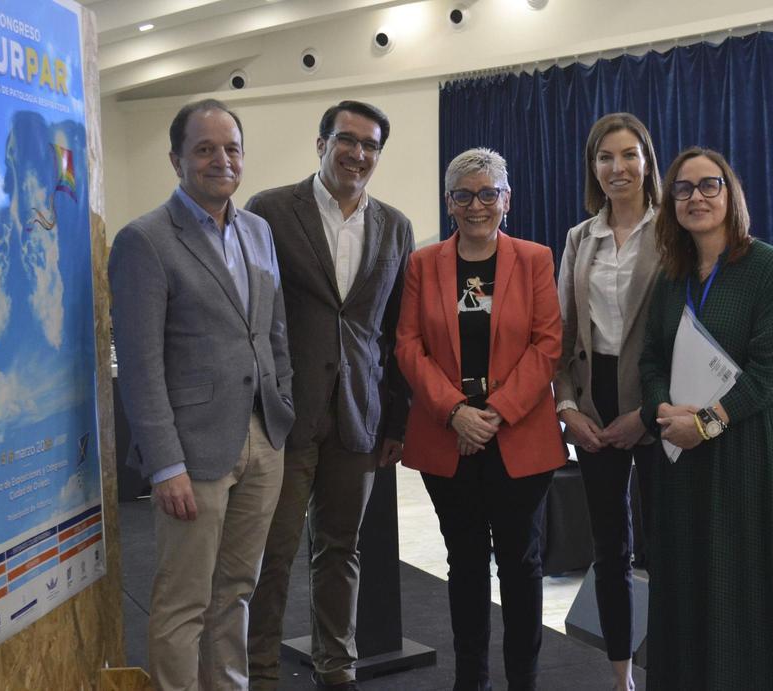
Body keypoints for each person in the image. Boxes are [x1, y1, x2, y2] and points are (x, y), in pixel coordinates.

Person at [108, 99, 296, 689]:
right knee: (183, 602)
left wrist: (281, 406)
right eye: (205, 148)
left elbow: (274, 330)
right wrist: (165, 464)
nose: (221, 160)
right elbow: (139, 365)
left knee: (236, 591)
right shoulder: (145, 240)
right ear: (176, 158)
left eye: (231, 148)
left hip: (263, 439)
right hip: (192, 455)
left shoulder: (257, 230)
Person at [245, 100, 415, 691]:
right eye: (348, 140)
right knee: (273, 555)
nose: (359, 154)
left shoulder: (395, 225)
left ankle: (335, 670)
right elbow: (251, 316)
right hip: (285, 418)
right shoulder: (268, 212)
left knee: (341, 551)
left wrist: (396, 420)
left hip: (358, 419)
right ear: (321, 143)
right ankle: (259, 673)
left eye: (370, 145)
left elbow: (395, 333)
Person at [396, 148, 566, 691]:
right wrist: (454, 412)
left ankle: (524, 680)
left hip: (518, 436)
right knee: (464, 564)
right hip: (448, 438)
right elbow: (407, 346)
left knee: (521, 567)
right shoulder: (423, 264)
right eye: (464, 195)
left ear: (506, 199)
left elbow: (548, 344)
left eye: (488, 193)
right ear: (450, 203)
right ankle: (470, 680)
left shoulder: (535, 258)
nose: (477, 206)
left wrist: (492, 413)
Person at [638, 147, 773, 688]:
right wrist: (662, 407)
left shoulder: (767, 268)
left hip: (745, 461)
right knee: (685, 588)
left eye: (709, 186)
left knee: (743, 589)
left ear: (731, 194)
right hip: (681, 460)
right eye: (682, 190)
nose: (696, 198)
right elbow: (651, 358)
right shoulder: (670, 278)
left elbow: (771, 372)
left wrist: (706, 423)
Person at [553, 113, 660, 691]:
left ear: (646, 160)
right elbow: (564, 335)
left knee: (665, 548)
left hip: (657, 406)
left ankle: (671, 666)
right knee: (609, 549)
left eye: (627, 155)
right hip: (593, 407)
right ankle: (620, 676)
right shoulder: (578, 237)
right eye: (604, 158)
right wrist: (567, 407)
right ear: (593, 167)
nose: (617, 168)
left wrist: (647, 413)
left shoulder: (671, 230)